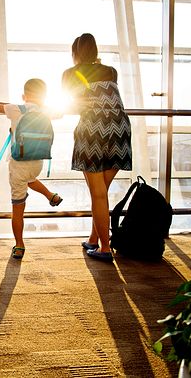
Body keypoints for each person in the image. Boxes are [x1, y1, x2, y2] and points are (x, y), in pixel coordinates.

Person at [61, 33, 132, 262]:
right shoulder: (111, 72)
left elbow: (71, 106)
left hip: (93, 132)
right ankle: (94, 238)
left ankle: (104, 248)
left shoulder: (70, 74)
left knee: (98, 194)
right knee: (100, 193)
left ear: (75, 53)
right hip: (120, 131)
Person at [0, 78, 63, 260]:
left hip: (18, 163)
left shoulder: (16, 109)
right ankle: (50, 196)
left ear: (24, 96)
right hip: (38, 161)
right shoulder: (47, 111)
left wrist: (16, 104)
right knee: (30, 179)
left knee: (18, 209)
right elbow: (60, 113)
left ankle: (19, 245)